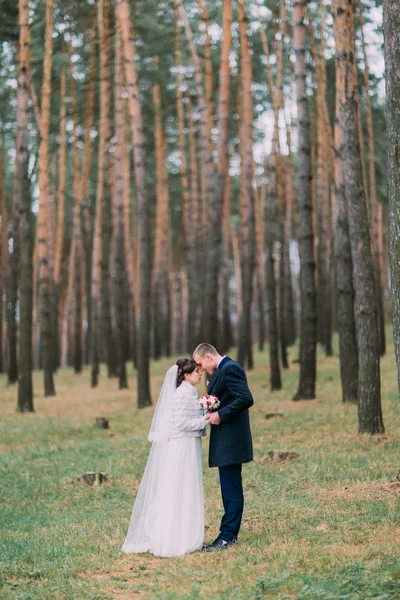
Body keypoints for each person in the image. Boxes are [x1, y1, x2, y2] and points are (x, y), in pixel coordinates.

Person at [122, 358, 206, 557]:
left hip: (188, 443)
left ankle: (185, 532)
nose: (200, 374)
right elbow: (180, 422)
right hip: (182, 445)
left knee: (186, 486)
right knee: (179, 486)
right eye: (196, 372)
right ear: (185, 375)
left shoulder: (190, 391)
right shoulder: (183, 394)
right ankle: (173, 536)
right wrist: (206, 418)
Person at [193, 343, 253, 552]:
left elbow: (246, 398)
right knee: (228, 489)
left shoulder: (230, 368)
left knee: (231, 490)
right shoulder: (221, 371)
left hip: (232, 440)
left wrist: (220, 414)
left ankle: (228, 537)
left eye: (202, 364)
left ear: (209, 357)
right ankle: (226, 534)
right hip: (225, 440)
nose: (202, 370)